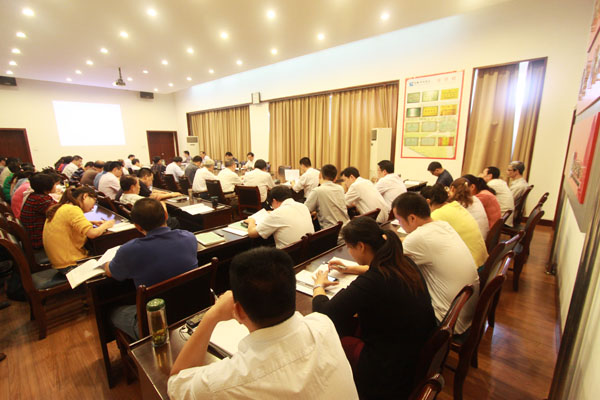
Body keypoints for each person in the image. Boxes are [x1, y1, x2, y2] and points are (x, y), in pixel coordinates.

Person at [168, 247, 358, 399]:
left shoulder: (227, 381)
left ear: (238, 311)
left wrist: (212, 315)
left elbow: (176, 384)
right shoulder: (322, 323)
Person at [312, 217, 436, 399]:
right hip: (414, 348)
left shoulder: (373, 281)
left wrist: (319, 285)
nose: (349, 252)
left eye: (349, 247)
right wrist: (352, 269)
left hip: (390, 367)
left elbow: (324, 313)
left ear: (361, 246)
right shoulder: (403, 262)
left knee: (335, 340)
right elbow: (376, 269)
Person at [104, 198, 199, 340]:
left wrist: (106, 263)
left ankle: (139, 348)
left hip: (155, 324)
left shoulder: (128, 251)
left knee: (112, 312)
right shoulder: (189, 237)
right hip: (192, 309)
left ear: (137, 226)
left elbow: (111, 272)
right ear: (166, 216)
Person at [392, 192, 479, 335]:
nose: (399, 224)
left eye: (399, 220)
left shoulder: (419, 238)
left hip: (447, 321)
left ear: (412, 218)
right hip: (465, 312)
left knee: (391, 297)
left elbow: (387, 266)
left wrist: (354, 269)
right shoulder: (442, 225)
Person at [43, 187, 115, 272]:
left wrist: (91, 222)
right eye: (94, 201)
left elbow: (68, 223)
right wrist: (106, 225)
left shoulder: (63, 207)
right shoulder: (73, 209)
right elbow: (93, 234)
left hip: (60, 262)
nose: (93, 207)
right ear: (85, 196)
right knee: (112, 264)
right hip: (70, 264)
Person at [420, 184, 488, 267]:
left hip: (472, 265)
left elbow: (421, 239)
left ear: (428, 202)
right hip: (481, 260)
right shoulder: (455, 205)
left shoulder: (437, 215)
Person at [246, 185, 314, 248]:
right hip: (308, 249)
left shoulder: (277, 213)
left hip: (287, 254)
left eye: (271, 205)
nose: (272, 208)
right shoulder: (303, 206)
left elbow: (252, 234)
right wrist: (272, 213)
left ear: (274, 201)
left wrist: (251, 221)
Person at [304, 164, 349, 230]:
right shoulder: (340, 188)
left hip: (332, 231)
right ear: (335, 178)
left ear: (320, 175)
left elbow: (305, 210)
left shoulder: (317, 191)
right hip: (347, 227)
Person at [20, 173, 59, 249]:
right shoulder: (41, 200)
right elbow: (61, 213)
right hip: (39, 239)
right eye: (54, 184)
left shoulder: (34, 196)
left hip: (34, 235)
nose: (55, 185)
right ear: (46, 187)